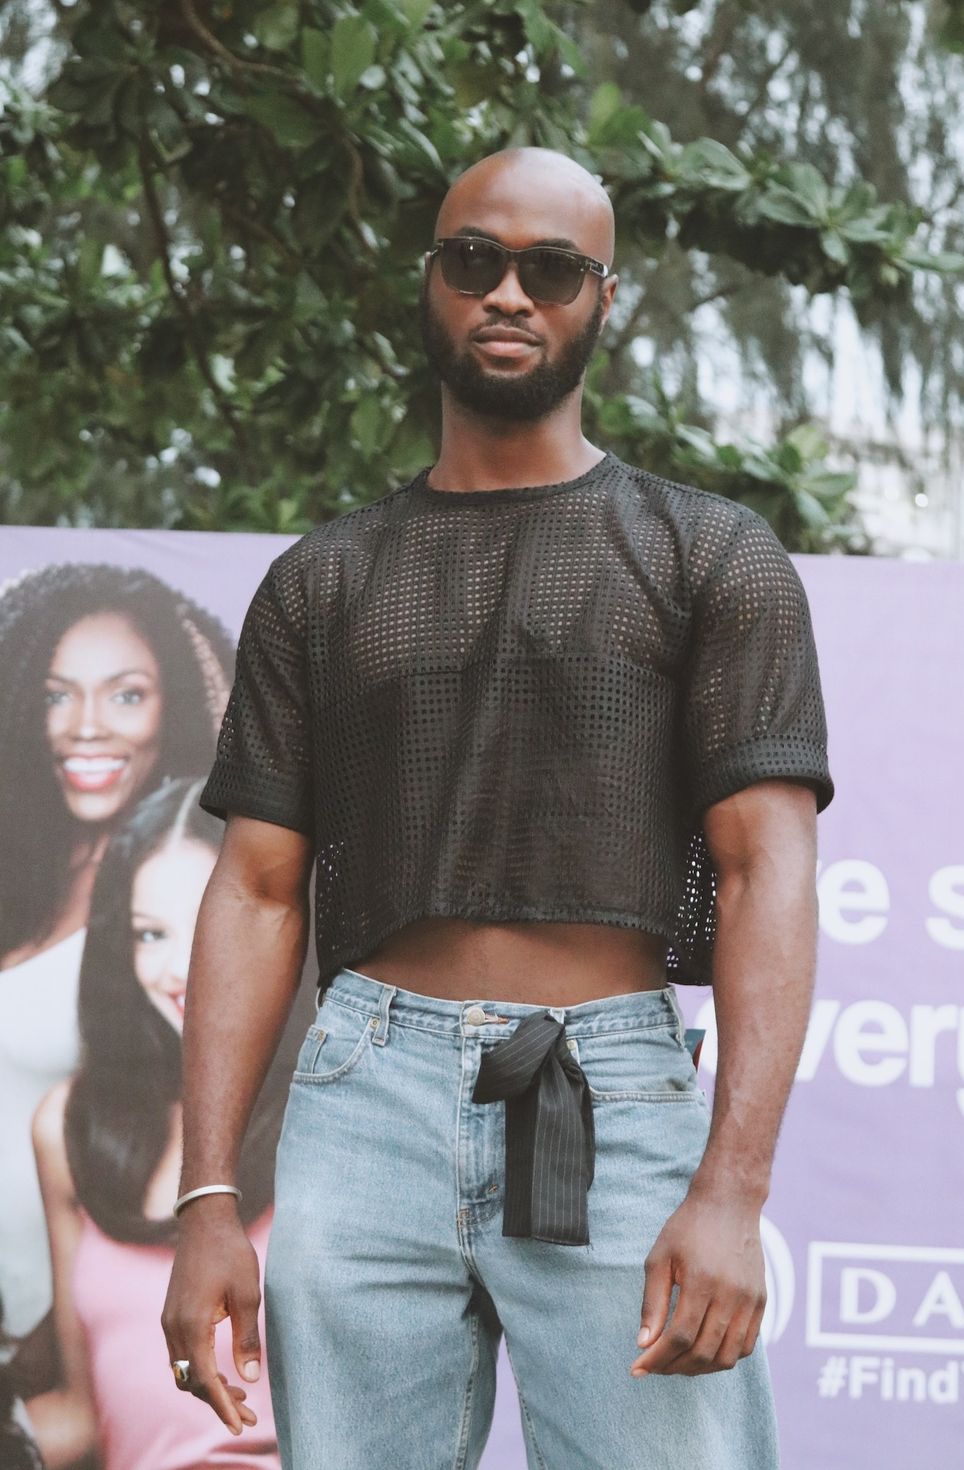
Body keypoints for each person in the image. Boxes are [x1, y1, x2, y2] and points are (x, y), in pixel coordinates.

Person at [163, 147, 836, 1470]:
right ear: (432, 281)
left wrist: (734, 1188)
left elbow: (767, 872)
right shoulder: (325, 578)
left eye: (552, 269)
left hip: (608, 1087)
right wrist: (206, 1197)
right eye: (476, 259)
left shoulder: (709, 553)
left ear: (604, 296)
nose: (510, 293)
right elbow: (251, 889)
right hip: (362, 1094)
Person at [0, 563, 233, 1358]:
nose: (86, 726)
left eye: (127, 694)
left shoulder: (186, 891)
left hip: (64, 1342)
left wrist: (44, 1362)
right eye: (56, 695)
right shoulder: (22, 876)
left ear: (172, 709)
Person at [25, 778, 282, 1470]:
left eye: (205, 927)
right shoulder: (70, 1129)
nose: (174, 971)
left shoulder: (326, 1116)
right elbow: (82, 1417)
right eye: (148, 933)